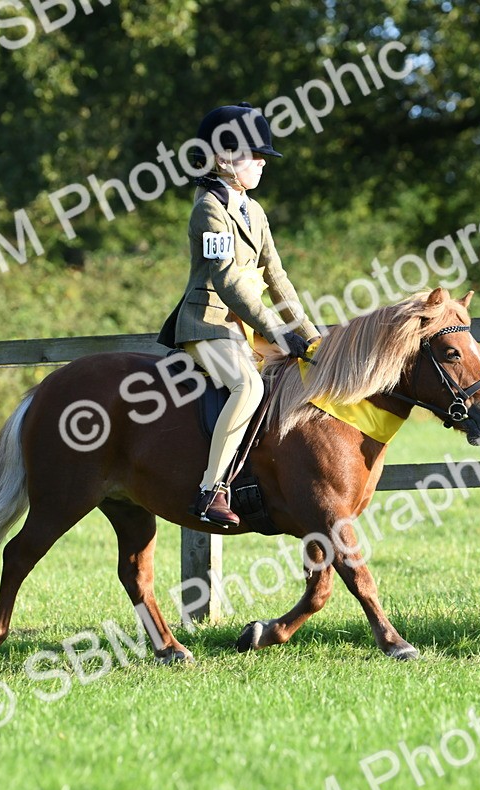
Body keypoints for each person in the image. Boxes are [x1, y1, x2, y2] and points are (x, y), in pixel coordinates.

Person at [158, 102, 319, 527]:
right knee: (247, 387)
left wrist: (309, 333)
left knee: (304, 375)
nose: (263, 162)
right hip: (208, 323)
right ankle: (211, 490)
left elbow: (276, 277)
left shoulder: (255, 211)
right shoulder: (208, 209)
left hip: (245, 326)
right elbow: (228, 282)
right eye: (254, 154)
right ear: (226, 159)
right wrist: (276, 330)